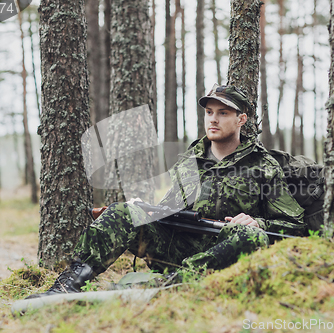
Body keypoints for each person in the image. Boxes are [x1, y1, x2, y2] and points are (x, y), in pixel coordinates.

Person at [27, 84, 305, 299]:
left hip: (224, 253)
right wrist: (146, 209)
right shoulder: (189, 161)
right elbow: (170, 208)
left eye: (223, 113)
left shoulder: (263, 165)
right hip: (177, 248)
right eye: (209, 112)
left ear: (241, 119)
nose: (213, 120)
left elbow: (295, 225)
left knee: (250, 235)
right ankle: (67, 287)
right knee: (125, 211)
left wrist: (258, 222)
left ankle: (171, 287)